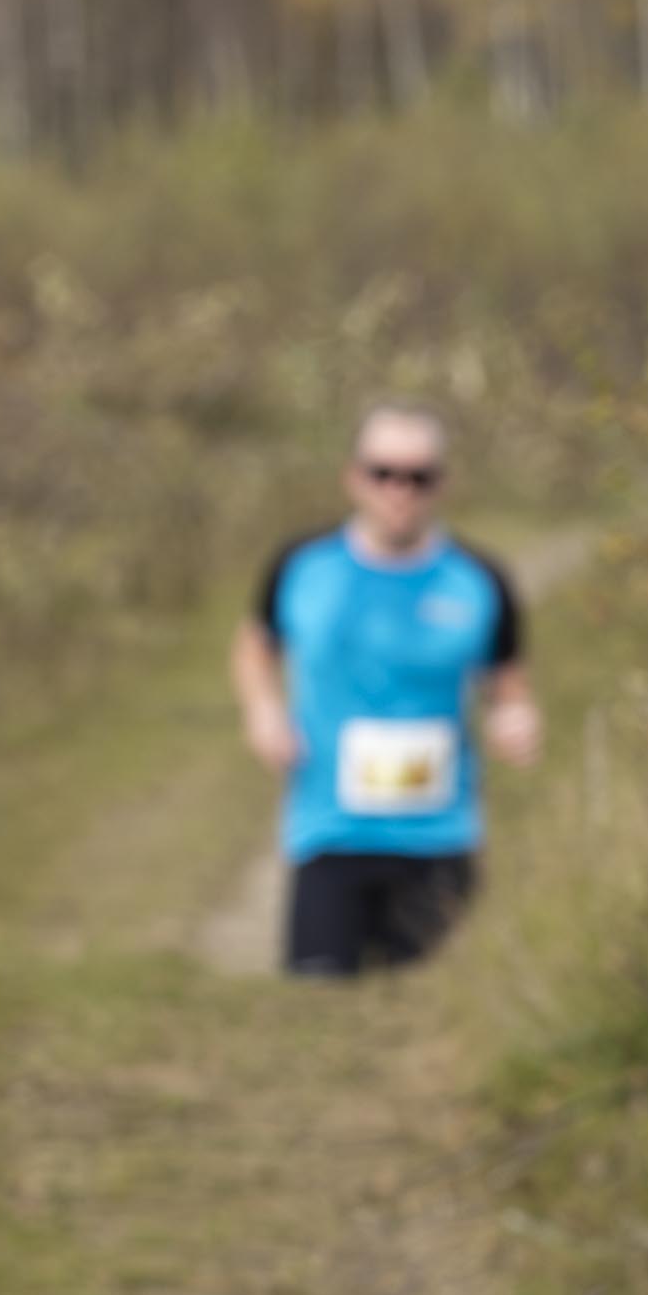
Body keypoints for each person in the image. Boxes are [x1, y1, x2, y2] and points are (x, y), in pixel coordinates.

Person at [232, 403, 539, 978]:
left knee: (419, 1030)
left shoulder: (479, 580)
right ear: (354, 477)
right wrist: (264, 710)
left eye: (418, 477)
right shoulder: (301, 567)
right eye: (383, 474)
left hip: (439, 839)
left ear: (441, 484)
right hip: (329, 832)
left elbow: (508, 683)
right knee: (318, 1009)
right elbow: (255, 647)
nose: (400, 491)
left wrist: (514, 719)